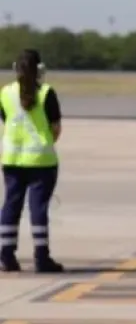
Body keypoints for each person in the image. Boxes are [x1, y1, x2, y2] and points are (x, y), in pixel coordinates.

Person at [0, 49, 65, 273]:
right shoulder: (46, 93)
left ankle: (6, 255)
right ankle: (41, 257)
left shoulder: (5, 93)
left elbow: (6, 120)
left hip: (12, 161)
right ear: (40, 70)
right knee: (38, 209)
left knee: (11, 205)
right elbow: (56, 128)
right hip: (41, 161)